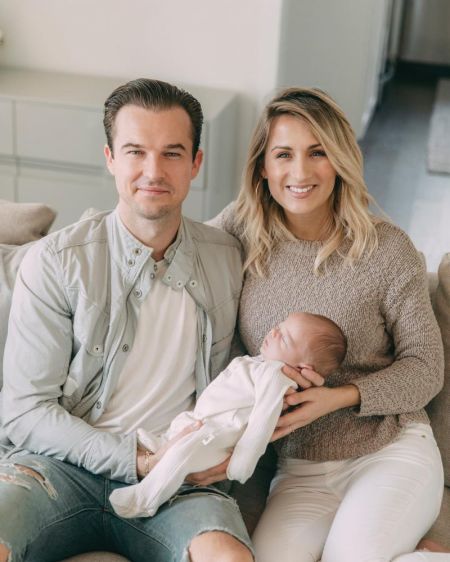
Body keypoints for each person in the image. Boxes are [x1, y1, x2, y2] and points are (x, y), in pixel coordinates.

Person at [0, 79, 254, 562]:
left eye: (173, 153)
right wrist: (134, 460)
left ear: (196, 163)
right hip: (57, 469)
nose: (153, 171)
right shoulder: (57, 262)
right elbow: (25, 410)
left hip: (176, 478)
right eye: (135, 151)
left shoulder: (226, 258)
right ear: (110, 158)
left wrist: (210, 454)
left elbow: (242, 382)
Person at [210, 87, 446, 561]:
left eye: (317, 152)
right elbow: (169, 258)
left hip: (389, 450)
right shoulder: (236, 233)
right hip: (299, 470)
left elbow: (426, 368)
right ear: (262, 166)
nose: (300, 172)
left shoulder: (387, 248)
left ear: (339, 159)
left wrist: (338, 397)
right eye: (284, 154)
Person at [109, 311, 347, 519]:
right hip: (203, 423)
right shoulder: (260, 363)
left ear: (304, 369)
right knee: (176, 436)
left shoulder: (275, 375)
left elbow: (261, 422)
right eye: (280, 325)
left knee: (184, 451)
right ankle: (161, 451)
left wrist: (242, 463)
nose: (274, 331)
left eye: (284, 337)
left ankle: (146, 499)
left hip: (220, 435)